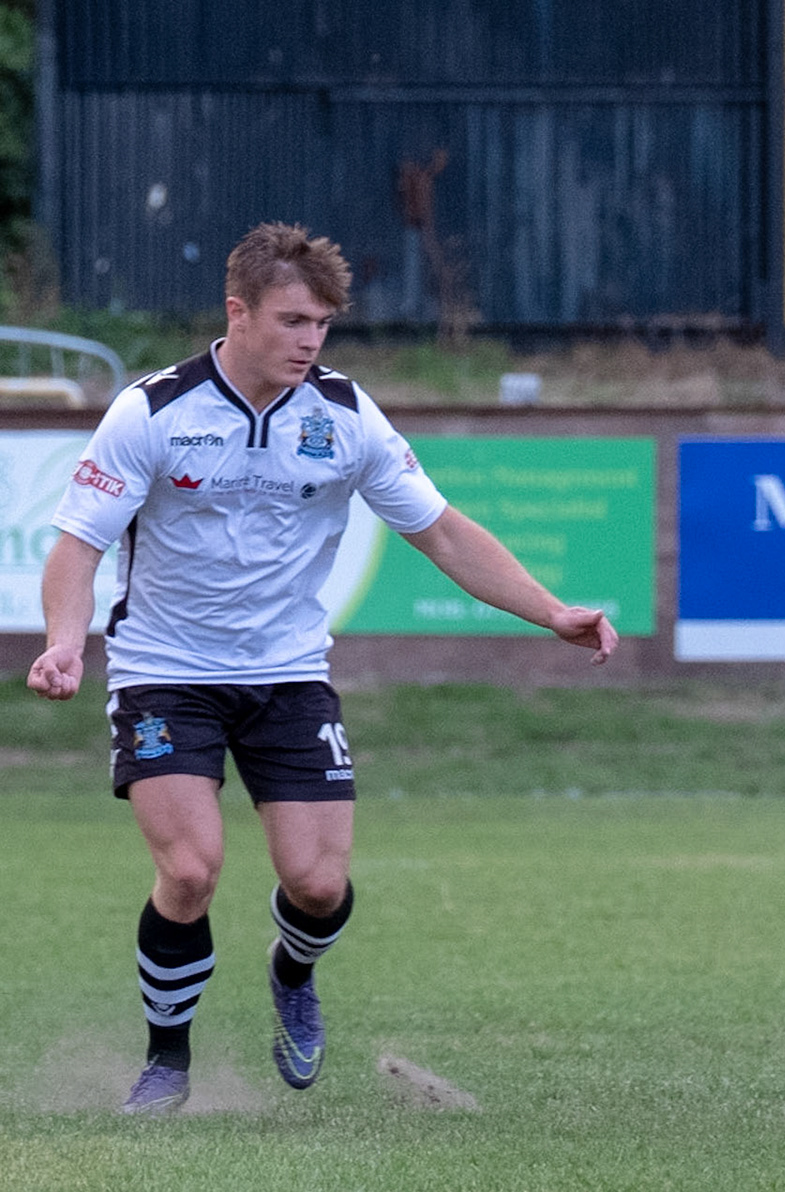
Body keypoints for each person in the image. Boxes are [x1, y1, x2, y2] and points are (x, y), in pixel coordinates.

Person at [27, 222, 619, 1114]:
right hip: (164, 671)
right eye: (293, 320)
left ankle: (292, 972)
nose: (311, 340)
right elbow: (78, 544)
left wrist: (550, 610)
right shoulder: (153, 412)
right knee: (190, 870)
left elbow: (442, 532)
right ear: (238, 311)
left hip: (289, 674)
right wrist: (66, 640)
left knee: (318, 883)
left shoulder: (343, 415)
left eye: (323, 324)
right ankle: (167, 1061)